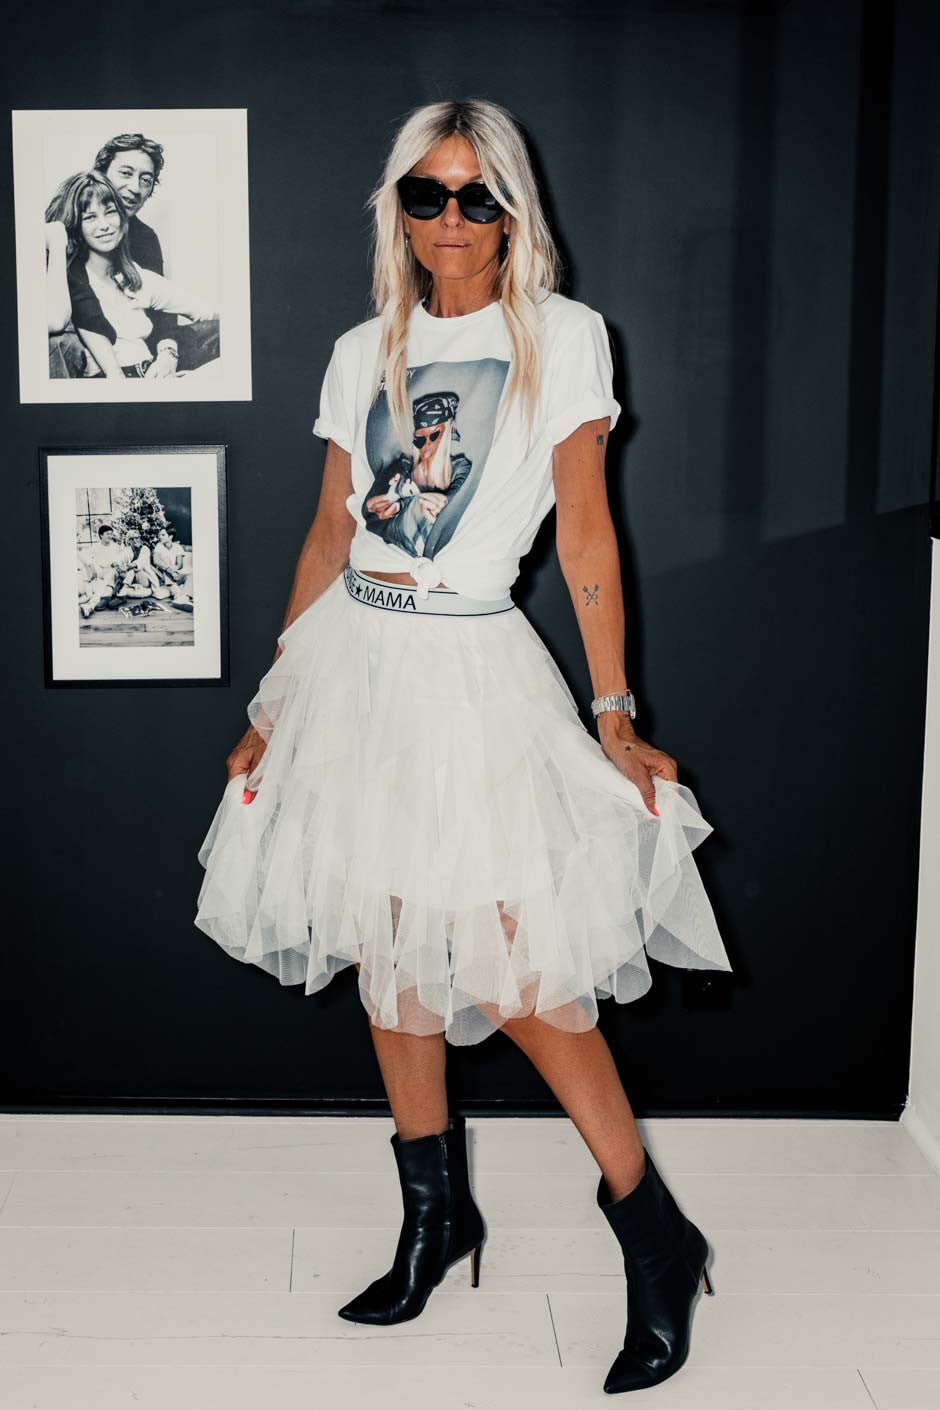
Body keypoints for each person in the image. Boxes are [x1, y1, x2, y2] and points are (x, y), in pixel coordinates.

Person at [194, 99, 733, 1395]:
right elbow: (331, 534)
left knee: (526, 968)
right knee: (389, 949)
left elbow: (587, 532)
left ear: (512, 212)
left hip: (470, 668)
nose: (451, 219)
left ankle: (653, 1230)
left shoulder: (560, 336)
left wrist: (614, 713)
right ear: (398, 209)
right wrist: (274, 702)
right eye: (426, 194)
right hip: (353, 666)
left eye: (477, 196)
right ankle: (435, 1218)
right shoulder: (361, 349)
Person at [46, 132, 220, 379]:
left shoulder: (144, 240)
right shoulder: (62, 233)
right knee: (60, 343)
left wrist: (167, 355)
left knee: (227, 332)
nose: (135, 187)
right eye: (126, 173)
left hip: (143, 354)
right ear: (101, 173)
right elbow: (78, 314)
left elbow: (164, 311)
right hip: (92, 359)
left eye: (146, 180)